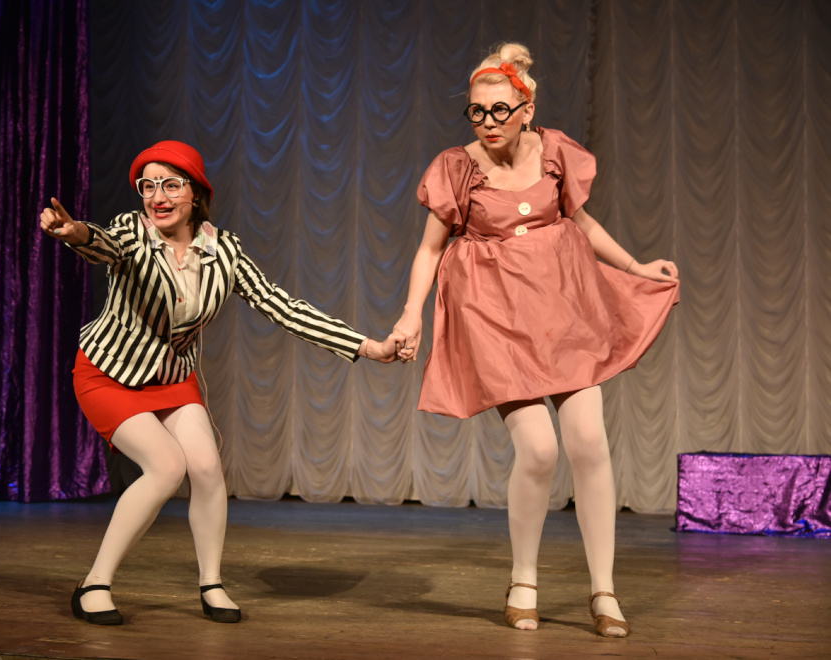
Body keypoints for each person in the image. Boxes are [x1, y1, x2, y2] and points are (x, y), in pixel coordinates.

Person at [40, 140, 401, 626]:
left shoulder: (224, 251)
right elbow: (102, 242)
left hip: (171, 377)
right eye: (148, 186)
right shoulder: (132, 232)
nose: (158, 196)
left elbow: (283, 307)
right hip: (110, 373)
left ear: (196, 193)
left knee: (208, 468)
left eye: (171, 184)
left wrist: (367, 346)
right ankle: (94, 584)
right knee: (166, 467)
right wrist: (74, 232)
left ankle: (211, 583)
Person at [393, 43, 679, 638]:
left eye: (500, 110)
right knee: (540, 450)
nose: (488, 122)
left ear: (527, 109)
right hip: (493, 317)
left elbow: (580, 222)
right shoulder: (457, 167)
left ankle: (603, 589)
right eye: (477, 111)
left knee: (589, 443)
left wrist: (635, 266)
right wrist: (410, 316)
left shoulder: (554, 152)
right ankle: (523, 578)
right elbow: (428, 250)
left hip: (562, 310)